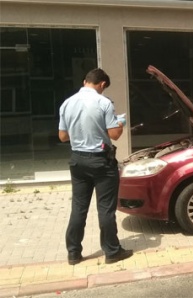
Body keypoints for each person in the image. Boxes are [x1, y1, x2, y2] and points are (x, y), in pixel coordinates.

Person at [58, 68, 133, 265]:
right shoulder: (104, 102)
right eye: (103, 88)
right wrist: (120, 123)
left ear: (85, 82)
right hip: (101, 162)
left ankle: (73, 253)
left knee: (78, 207)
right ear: (102, 84)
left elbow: (63, 136)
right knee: (105, 209)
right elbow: (115, 134)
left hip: (77, 161)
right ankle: (112, 252)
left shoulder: (67, 103)